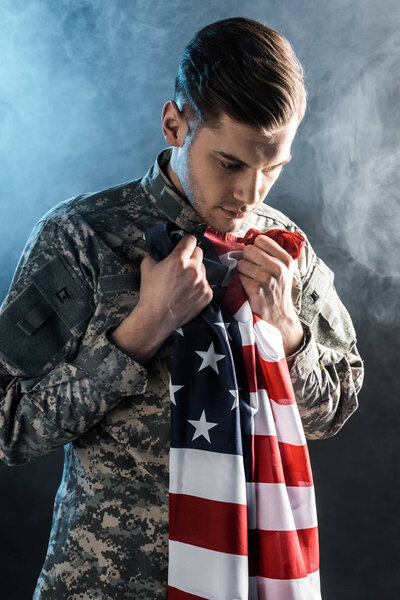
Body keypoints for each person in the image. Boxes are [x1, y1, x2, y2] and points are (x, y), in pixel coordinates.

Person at [0, 16, 364, 599]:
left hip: (246, 581)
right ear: (176, 124)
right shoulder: (82, 236)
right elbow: (5, 426)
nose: (251, 194)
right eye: (230, 164)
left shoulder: (282, 250)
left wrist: (291, 334)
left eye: (272, 168)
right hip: (104, 585)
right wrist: (138, 334)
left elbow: (333, 411)